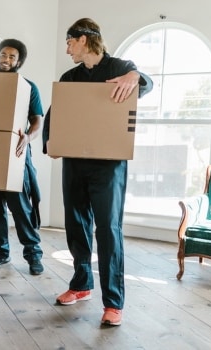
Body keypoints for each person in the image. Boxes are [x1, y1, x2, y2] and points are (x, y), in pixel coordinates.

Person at [42, 18, 153, 326]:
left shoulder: (120, 68)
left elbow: (148, 83)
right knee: (75, 225)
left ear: (84, 40)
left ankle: (114, 303)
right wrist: (49, 141)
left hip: (109, 166)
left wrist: (134, 76)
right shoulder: (70, 76)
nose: (67, 49)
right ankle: (80, 285)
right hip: (75, 163)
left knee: (108, 230)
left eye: (69, 42)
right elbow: (55, 114)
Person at [0, 38, 45, 276]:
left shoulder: (28, 87)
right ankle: (0, 252)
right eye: (4, 55)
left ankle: (33, 254)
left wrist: (28, 138)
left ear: (19, 61)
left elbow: (37, 122)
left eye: (12, 57)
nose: (7, 60)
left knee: (21, 208)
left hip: (15, 153)